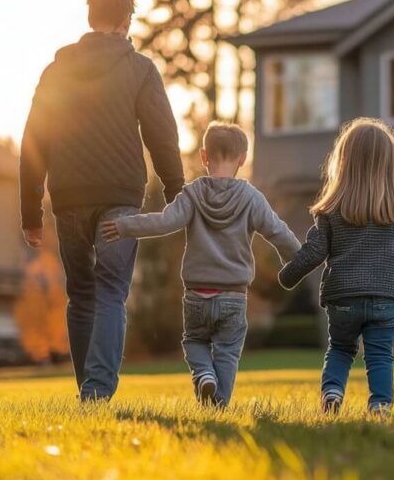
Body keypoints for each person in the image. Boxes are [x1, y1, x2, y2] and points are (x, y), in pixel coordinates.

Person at [19, 0, 184, 401]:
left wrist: (30, 211)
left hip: (70, 197)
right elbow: (162, 135)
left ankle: (87, 391)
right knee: (111, 290)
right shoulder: (140, 69)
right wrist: (176, 190)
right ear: (126, 21)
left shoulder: (56, 70)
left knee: (81, 295)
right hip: (120, 199)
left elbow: (34, 140)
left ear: (90, 18)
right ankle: (96, 391)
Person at [102, 121, 300, 407]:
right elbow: (278, 232)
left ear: (204, 156)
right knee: (228, 350)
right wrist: (300, 258)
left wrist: (125, 226)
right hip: (233, 296)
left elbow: (164, 221)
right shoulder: (251, 198)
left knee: (194, 341)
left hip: (197, 295)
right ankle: (219, 402)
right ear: (242, 159)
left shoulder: (192, 195)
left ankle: (204, 374)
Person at [278, 118, 394, 415]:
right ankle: (380, 405)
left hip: (343, 298)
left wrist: (287, 276)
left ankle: (332, 394)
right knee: (380, 355)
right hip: (386, 298)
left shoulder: (332, 209)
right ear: (391, 165)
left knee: (340, 349)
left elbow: (314, 251)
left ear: (343, 163)